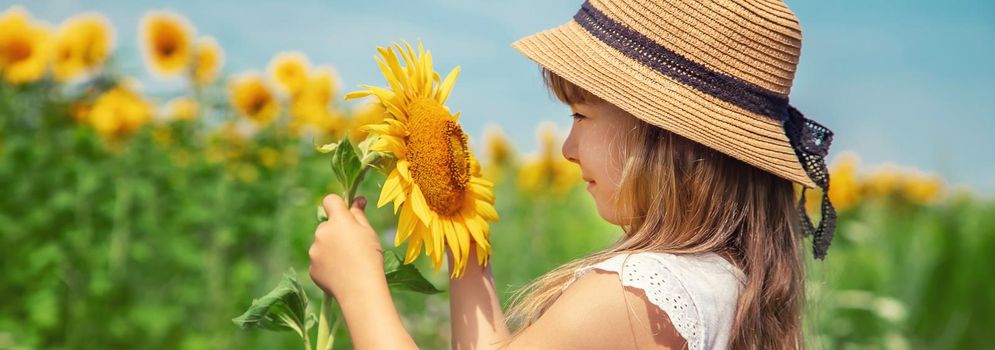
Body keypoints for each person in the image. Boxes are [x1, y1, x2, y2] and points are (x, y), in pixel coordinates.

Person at [307, 0, 837, 348]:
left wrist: (359, 285)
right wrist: (466, 244)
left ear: (665, 136)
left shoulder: (641, 296)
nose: (566, 148)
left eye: (580, 116)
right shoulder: (721, 285)